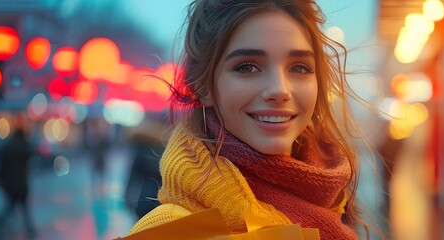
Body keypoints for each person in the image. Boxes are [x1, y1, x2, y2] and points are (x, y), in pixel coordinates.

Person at [125, 0, 377, 239]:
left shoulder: (334, 202)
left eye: (299, 67)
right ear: (203, 87)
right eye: (247, 67)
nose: (279, 90)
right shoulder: (170, 231)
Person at [0, 113, 36, 239]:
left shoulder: (7, 147)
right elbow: (31, 154)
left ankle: (0, 228)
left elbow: (1, 166)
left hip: (11, 185)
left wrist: (1, 181)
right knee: (23, 211)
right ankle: (30, 231)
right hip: (21, 185)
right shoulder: (23, 147)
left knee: (9, 209)